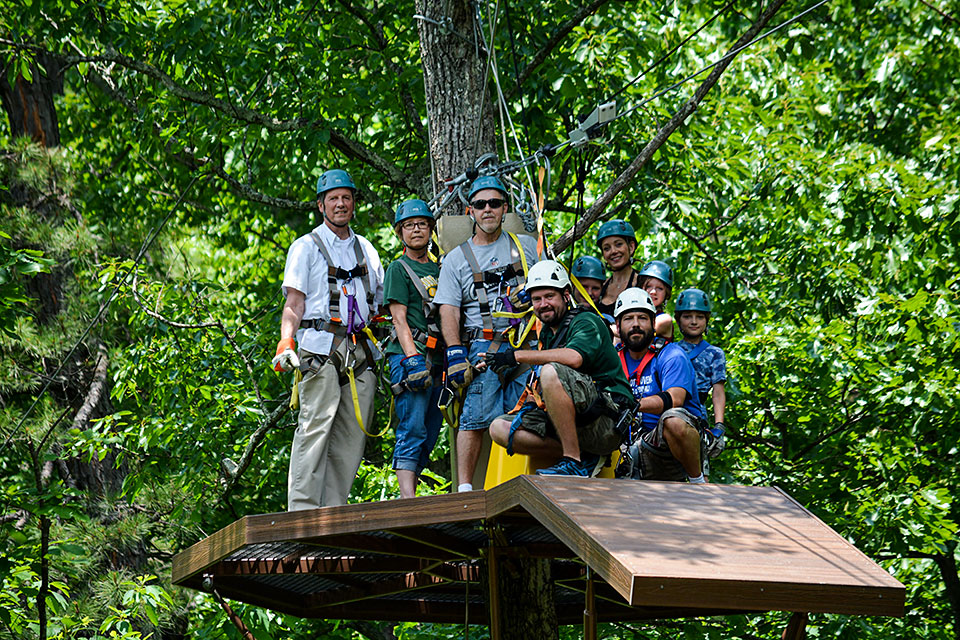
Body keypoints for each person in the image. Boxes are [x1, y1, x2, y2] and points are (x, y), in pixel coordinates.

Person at [272, 169, 384, 510]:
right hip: (319, 348)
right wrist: (285, 343)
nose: (340, 204)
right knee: (314, 428)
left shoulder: (366, 249)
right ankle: (302, 512)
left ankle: (333, 511)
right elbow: (294, 303)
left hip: (360, 351)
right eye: (333, 199)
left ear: (353, 203)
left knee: (352, 436)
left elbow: (378, 304)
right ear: (321, 206)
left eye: (345, 198)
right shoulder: (305, 247)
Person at [434, 176, 539, 492]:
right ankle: (465, 488)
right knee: (475, 413)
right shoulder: (455, 259)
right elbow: (448, 309)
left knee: (527, 411)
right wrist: (454, 352)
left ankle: (523, 484)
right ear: (471, 211)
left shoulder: (528, 248)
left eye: (495, 203)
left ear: (505, 208)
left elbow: (552, 292)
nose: (488, 209)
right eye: (481, 204)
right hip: (483, 344)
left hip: (525, 340)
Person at [487, 260, 635, 477]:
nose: (543, 304)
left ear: (566, 296)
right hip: (577, 424)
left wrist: (515, 356)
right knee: (498, 428)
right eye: (536, 299)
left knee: (550, 370)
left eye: (549, 297)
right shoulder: (548, 333)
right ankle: (587, 456)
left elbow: (573, 358)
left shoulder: (586, 322)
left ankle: (573, 461)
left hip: (605, 421)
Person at [613, 287, 708, 483]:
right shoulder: (613, 357)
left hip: (667, 447)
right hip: (626, 446)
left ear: (653, 323)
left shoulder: (671, 354)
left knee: (673, 419)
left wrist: (634, 404)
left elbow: (675, 398)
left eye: (643, 318)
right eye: (629, 319)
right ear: (618, 324)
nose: (636, 325)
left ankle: (697, 483)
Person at [383, 199, 444, 498]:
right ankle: (407, 499)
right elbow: (399, 319)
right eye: (409, 225)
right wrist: (413, 359)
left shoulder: (440, 267)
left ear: (431, 228)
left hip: (438, 357)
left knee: (431, 430)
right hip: (411, 354)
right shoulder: (398, 268)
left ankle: (414, 488)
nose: (416, 229)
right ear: (400, 232)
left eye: (421, 224)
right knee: (413, 425)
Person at [675, 288, 726, 463]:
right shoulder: (670, 350)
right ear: (678, 319)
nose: (694, 322)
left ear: (707, 320)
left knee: (699, 464)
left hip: (698, 413)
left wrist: (719, 425)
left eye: (700, 317)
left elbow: (718, 391)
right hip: (673, 409)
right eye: (687, 316)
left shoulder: (715, 353)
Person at [595, 219, 642, 317]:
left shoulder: (642, 284)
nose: (613, 251)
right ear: (603, 255)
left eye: (618, 244)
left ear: (631, 247)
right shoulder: (600, 287)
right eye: (607, 248)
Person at [637, 259, 675, 339]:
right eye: (648, 286)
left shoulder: (664, 319)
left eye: (660, 288)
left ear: (666, 294)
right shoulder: (631, 315)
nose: (653, 292)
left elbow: (638, 332)